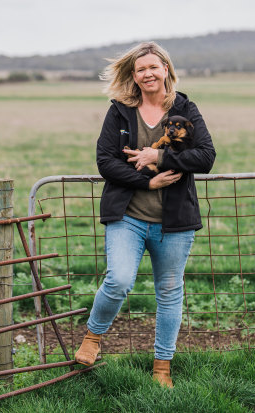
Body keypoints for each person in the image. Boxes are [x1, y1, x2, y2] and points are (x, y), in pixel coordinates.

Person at [74, 41, 216, 388]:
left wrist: (158, 158)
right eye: (141, 70)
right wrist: (147, 183)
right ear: (134, 77)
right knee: (119, 279)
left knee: (169, 292)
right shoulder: (120, 111)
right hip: (128, 215)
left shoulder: (185, 107)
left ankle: (162, 368)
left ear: (166, 68)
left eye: (154, 67)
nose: (148, 73)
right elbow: (105, 162)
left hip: (175, 222)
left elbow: (206, 157)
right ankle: (93, 337)